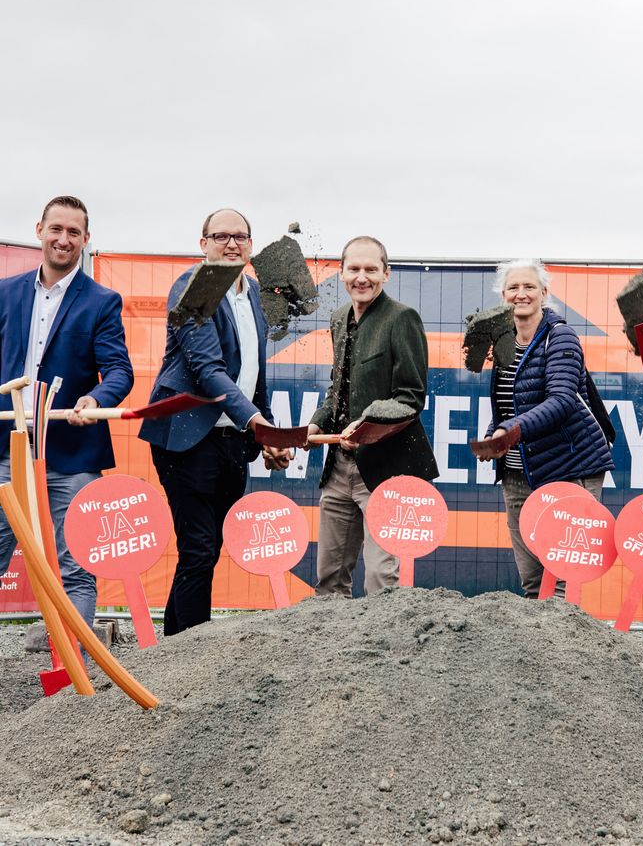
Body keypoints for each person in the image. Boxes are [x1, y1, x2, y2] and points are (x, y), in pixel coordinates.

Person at [139, 208, 292, 635]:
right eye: (221, 236)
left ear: (250, 245)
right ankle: (187, 656)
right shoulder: (196, 285)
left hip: (230, 441)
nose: (231, 243)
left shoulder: (254, 295)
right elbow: (208, 369)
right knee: (199, 549)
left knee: (207, 551)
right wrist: (258, 423)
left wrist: (268, 433)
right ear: (202, 242)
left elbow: (255, 369)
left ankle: (175, 647)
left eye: (240, 237)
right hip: (186, 437)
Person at [0, 195, 134, 628]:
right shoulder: (5, 293)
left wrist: (95, 400)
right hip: (6, 450)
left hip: (72, 454)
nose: (63, 239)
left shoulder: (101, 300)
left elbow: (118, 369)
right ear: (39, 230)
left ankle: (73, 679)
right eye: (55, 229)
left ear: (86, 239)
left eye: (73, 232)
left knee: (76, 567)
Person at [307, 235, 438, 596]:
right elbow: (338, 388)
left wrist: (365, 422)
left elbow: (411, 398)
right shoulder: (338, 319)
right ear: (341, 272)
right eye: (353, 269)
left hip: (384, 467)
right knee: (329, 580)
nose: (361, 277)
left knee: (380, 580)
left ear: (386, 274)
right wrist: (317, 422)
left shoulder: (402, 318)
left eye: (370, 269)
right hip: (338, 467)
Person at [479, 259, 614, 598]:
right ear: (503, 295)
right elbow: (509, 404)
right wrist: (493, 434)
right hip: (517, 473)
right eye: (513, 288)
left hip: (570, 467)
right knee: (532, 582)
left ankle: (568, 652)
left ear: (544, 293)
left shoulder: (561, 336)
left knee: (563, 583)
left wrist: (508, 430)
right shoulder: (503, 342)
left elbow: (562, 400)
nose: (520, 294)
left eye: (528, 287)